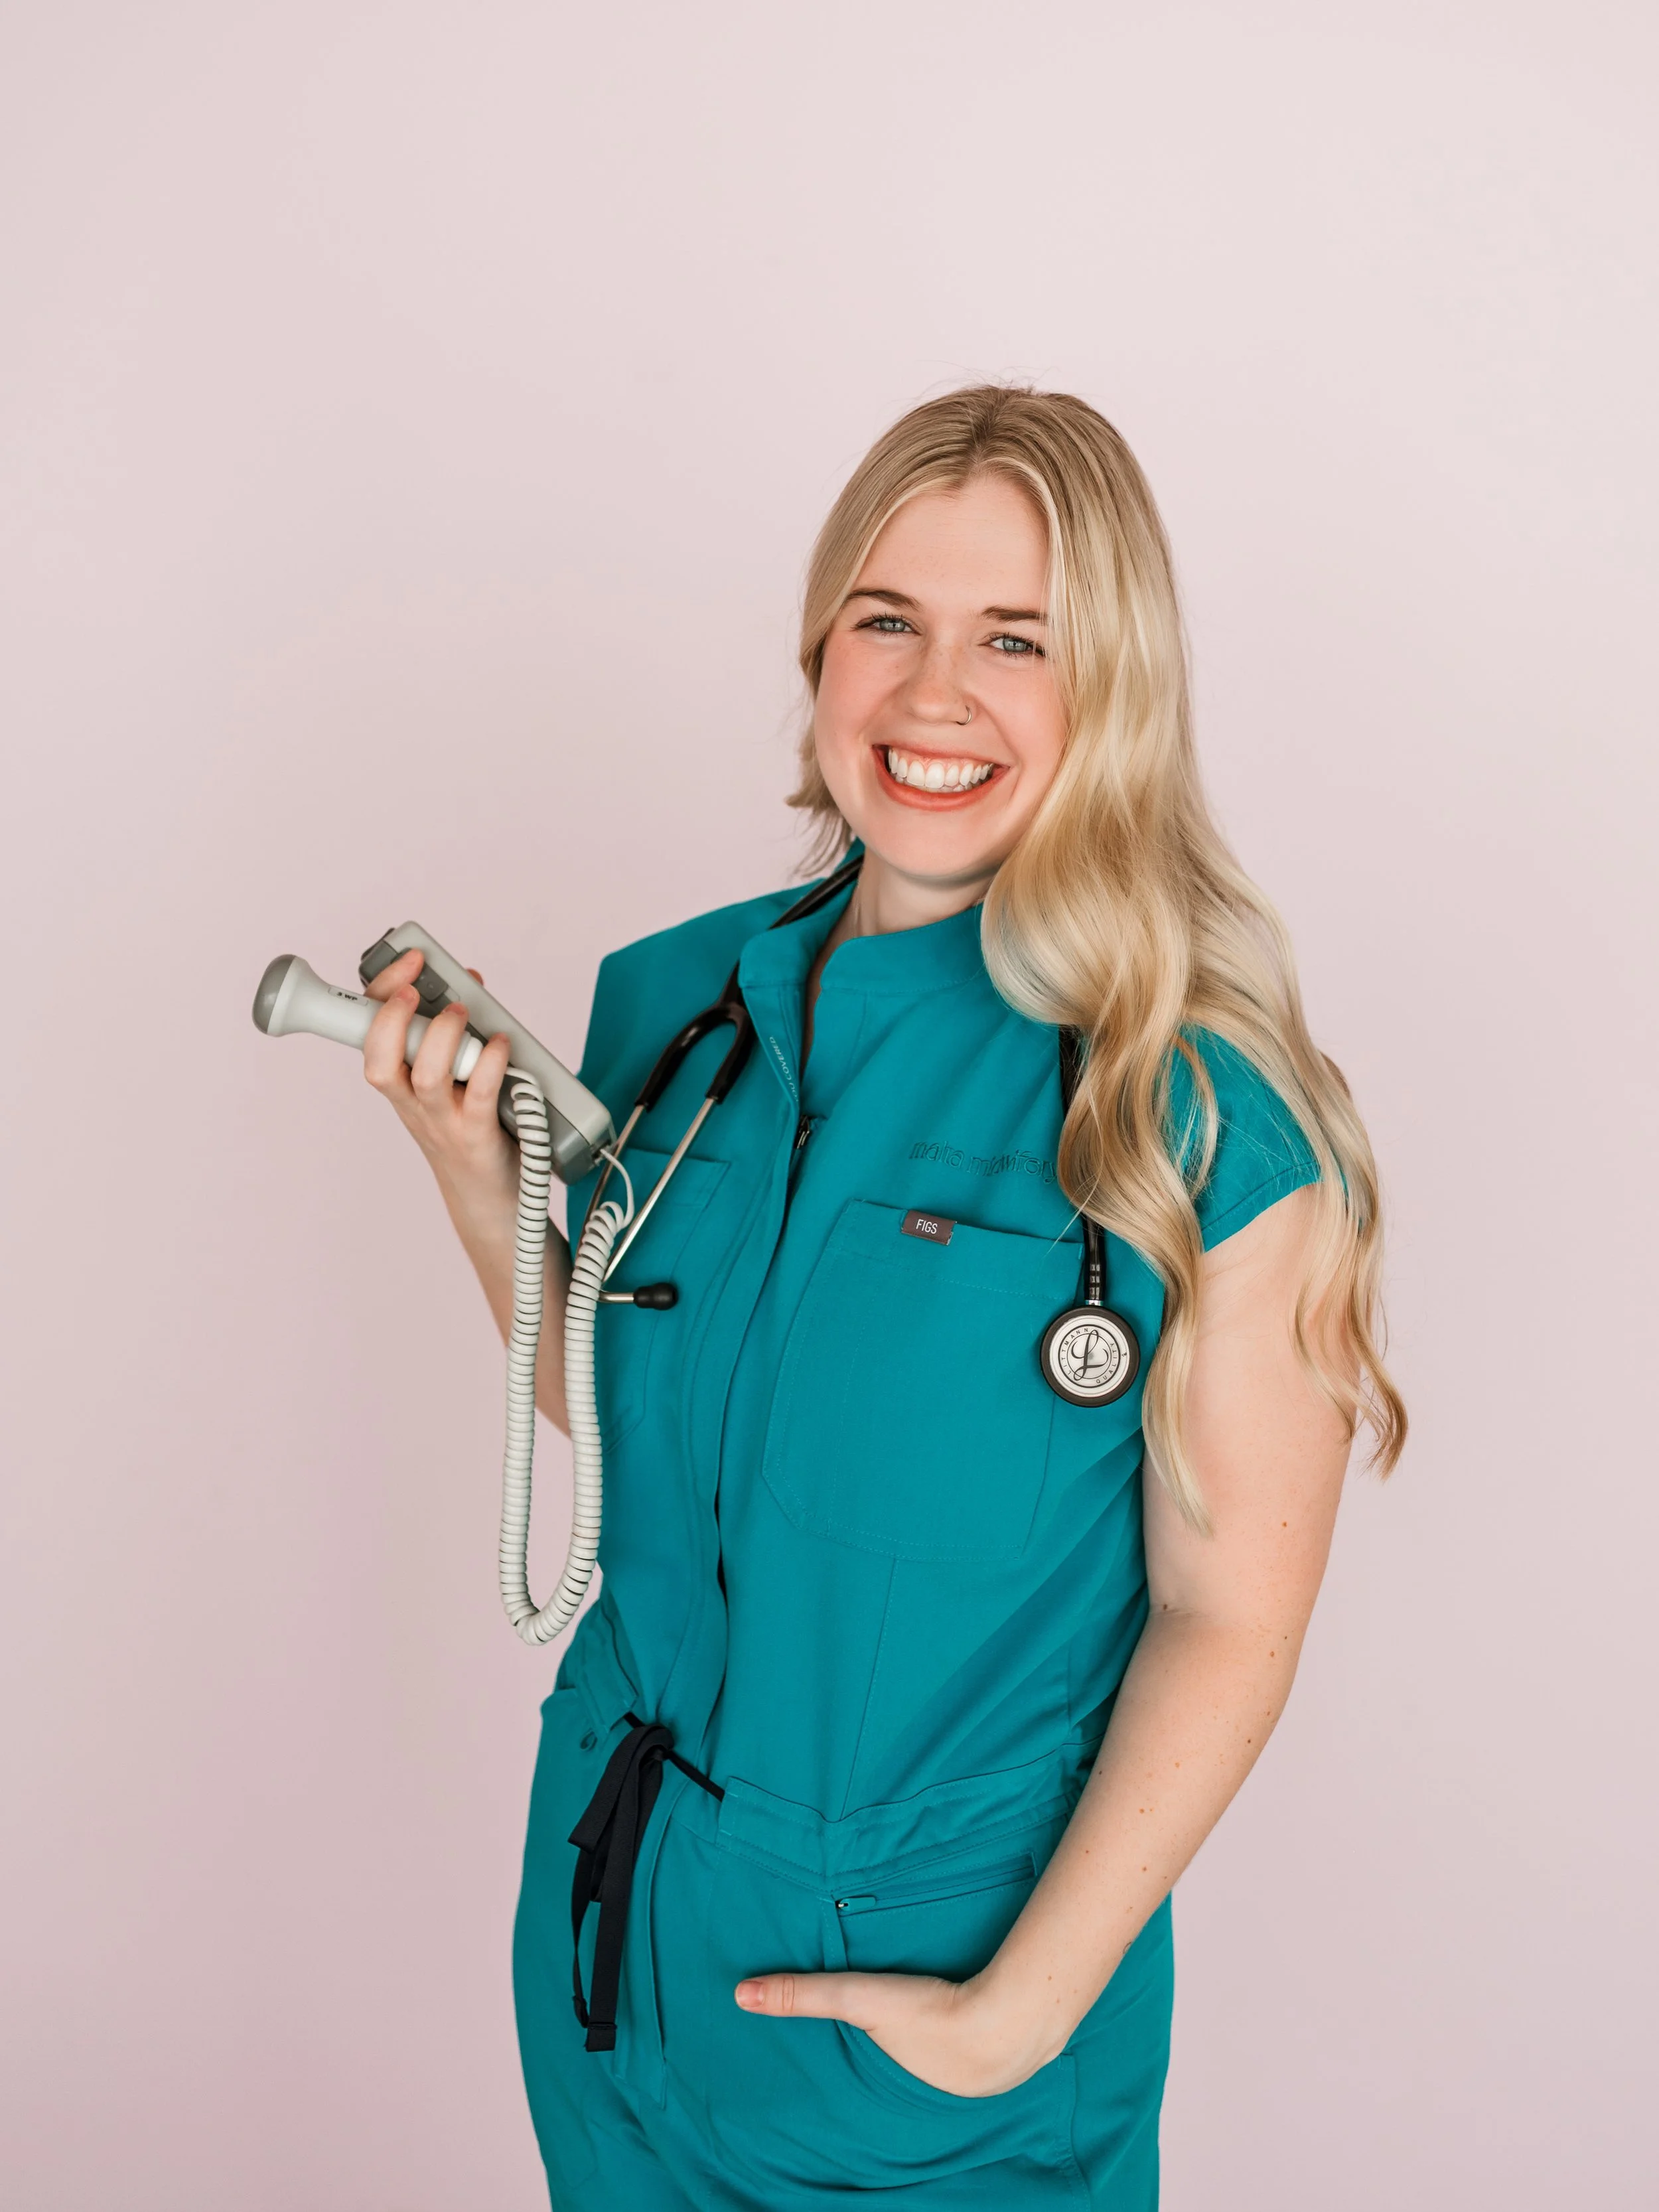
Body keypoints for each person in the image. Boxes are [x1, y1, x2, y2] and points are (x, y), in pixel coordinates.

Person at [361, 386, 1405, 2207]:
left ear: (1118, 688)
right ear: (817, 652)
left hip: (938, 2046)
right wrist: (479, 1170)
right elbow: (636, 1427)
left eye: (1017, 638)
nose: (935, 694)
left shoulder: (1192, 1112)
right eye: (886, 621)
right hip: (620, 1967)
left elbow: (1229, 1608)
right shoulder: (675, 1013)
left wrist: (1020, 2011)